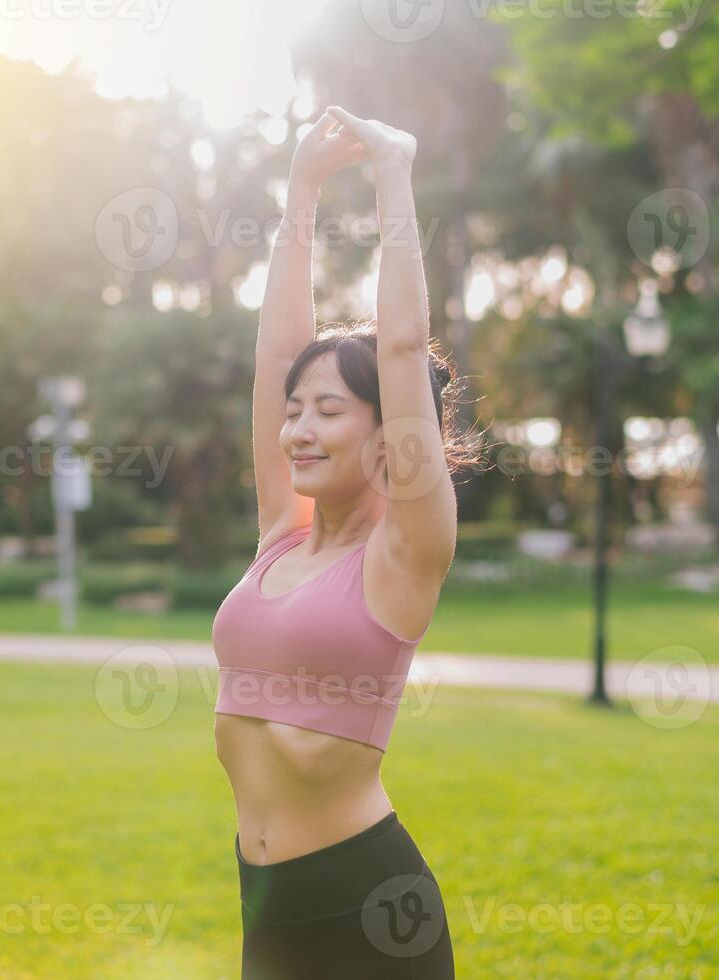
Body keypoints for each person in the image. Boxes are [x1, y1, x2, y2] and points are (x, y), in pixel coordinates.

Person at [211, 106, 475, 978]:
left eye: (328, 410)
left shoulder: (403, 556)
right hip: (264, 900)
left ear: (386, 436)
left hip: (365, 905)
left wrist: (392, 170)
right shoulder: (279, 540)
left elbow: (400, 347)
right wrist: (301, 188)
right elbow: (275, 355)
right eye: (294, 412)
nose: (298, 429)